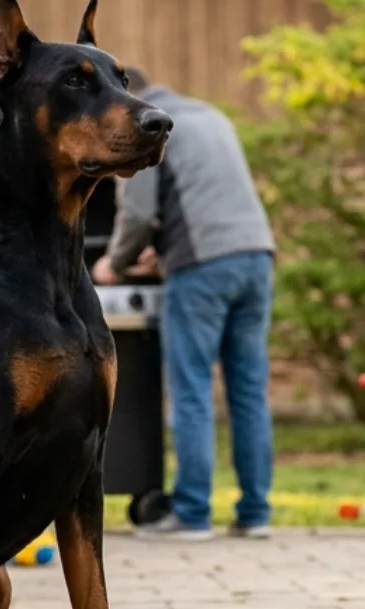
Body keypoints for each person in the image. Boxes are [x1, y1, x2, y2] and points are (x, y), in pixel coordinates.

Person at [93, 68, 276, 542]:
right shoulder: (211, 117)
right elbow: (205, 202)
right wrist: (167, 251)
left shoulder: (151, 121)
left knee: (192, 390)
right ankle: (255, 512)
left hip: (202, 269)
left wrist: (114, 264)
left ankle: (193, 513)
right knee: (249, 391)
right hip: (256, 258)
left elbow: (135, 213)